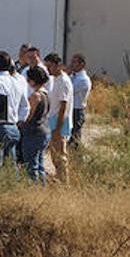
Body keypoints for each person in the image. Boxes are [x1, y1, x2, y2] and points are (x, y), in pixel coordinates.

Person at [0, 51, 28, 167]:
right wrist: (20, 120)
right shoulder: (16, 82)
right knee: (11, 164)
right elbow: (25, 105)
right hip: (13, 127)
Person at [44, 53, 75, 183]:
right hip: (53, 119)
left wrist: (58, 128)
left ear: (58, 65)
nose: (48, 69)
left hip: (61, 121)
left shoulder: (63, 81)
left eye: (50, 66)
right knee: (54, 155)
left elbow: (63, 106)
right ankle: (59, 178)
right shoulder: (54, 79)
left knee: (60, 155)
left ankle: (64, 182)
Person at [19, 65, 51, 185]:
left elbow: (29, 116)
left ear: (33, 80)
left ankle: (34, 188)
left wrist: (21, 123)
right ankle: (42, 187)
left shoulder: (35, 96)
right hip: (44, 131)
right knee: (40, 164)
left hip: (33, 132)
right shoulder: (46, 94)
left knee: (31, 165)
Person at [69, 54, 92, 149]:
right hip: (71, 109)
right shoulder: (73, 76)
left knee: (75, 136)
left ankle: (77, 158)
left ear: (82, 64)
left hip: (77, 110)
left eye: (74, 62)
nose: (71, 64)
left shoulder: (83, 79)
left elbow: (69, 91)